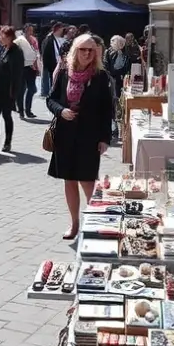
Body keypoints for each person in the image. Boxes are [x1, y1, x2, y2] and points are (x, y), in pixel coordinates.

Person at [47, 33, 112, 239]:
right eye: (83, 49)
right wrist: (61, 111)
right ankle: (74, 224)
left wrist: (104, 138)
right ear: (75, 51)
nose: (87, 53)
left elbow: (106, 110)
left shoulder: (100, 76)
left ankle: (95, 222)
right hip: (65, 135)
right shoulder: (65, 71)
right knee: (69, 180)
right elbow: (51, 99)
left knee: (87, 181)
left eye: (91, 50)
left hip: (89, 136)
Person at [0, 26, 25, 153]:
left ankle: (7, 143)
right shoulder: (2, 49)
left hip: (8, 91)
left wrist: (14, 93)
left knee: (6, 116)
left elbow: (17, 75)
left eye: (2, 36)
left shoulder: (17, 52)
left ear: (9, 37)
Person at [16, 24, 40, 118]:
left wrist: (37, 66)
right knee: (21, 90)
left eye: (32, 30)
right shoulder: (19, 40)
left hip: (32, 67)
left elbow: (37, 52)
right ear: (24, 30)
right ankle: (21, 110)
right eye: (29, 29)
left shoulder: (34, 40)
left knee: (32, 89)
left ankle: (28, 110)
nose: (30, 31)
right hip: (22, 67)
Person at [40, 23, 64, 98]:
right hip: (51, 64)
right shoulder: (48, 39)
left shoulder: (56, 38)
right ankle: (51, 94)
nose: (62, 32)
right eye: (61, 30)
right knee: (52, 79)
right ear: (58, 29)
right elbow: (46, 53)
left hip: (56, 63)